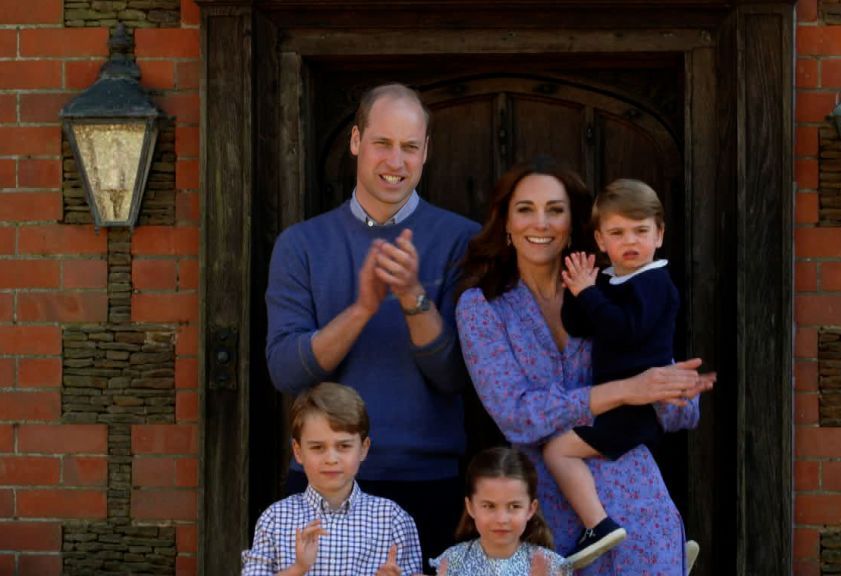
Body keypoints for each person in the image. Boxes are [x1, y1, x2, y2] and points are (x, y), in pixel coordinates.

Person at [455, 157, 714, 575]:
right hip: (545, 513)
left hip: (637, 502)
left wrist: (677, 392)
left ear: (573, 223)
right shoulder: (482, 308)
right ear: (505, 222)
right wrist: (626, 391)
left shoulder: (612, 289)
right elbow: (516, 416)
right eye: (525, 209)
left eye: (555, 210)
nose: (540, 223)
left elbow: (677, 409)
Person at [265, 83, 479, 567]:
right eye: (383, 143)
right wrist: (362, 308)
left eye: (409, 147)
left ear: (426, 151)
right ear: (356, 141)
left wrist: (412, 298)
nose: (396, 162)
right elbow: (286, 372)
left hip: (428, 483)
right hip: (322, 483)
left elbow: (455, 377)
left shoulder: (463, 241)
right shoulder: (300, 245)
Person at [544, 178, 681, 568]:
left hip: (634, 409)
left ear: (659, 234)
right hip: (617, 403)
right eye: (618, 233)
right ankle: (667, 548)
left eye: (641, 231)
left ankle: (598, 525)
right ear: (601, 241)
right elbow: (579, 325)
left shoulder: (655, 282)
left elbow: (625, 330)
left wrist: (590, 293)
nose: (630, 241)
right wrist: (578, 289)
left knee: (558, 450)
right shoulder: (612, 280)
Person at [242, 383, 422, 576]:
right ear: (298, 451)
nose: (331, 459)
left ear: (363, 448)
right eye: (317, 447)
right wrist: (298, 568)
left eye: (343, 446)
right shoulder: (275, 519)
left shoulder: (393, 520)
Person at [430, 447, 571, 576]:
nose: (501, 519)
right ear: (471, 507)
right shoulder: (452, 561)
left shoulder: (551, 566)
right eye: (489, 506)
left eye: (514, 506)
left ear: (530, 509)